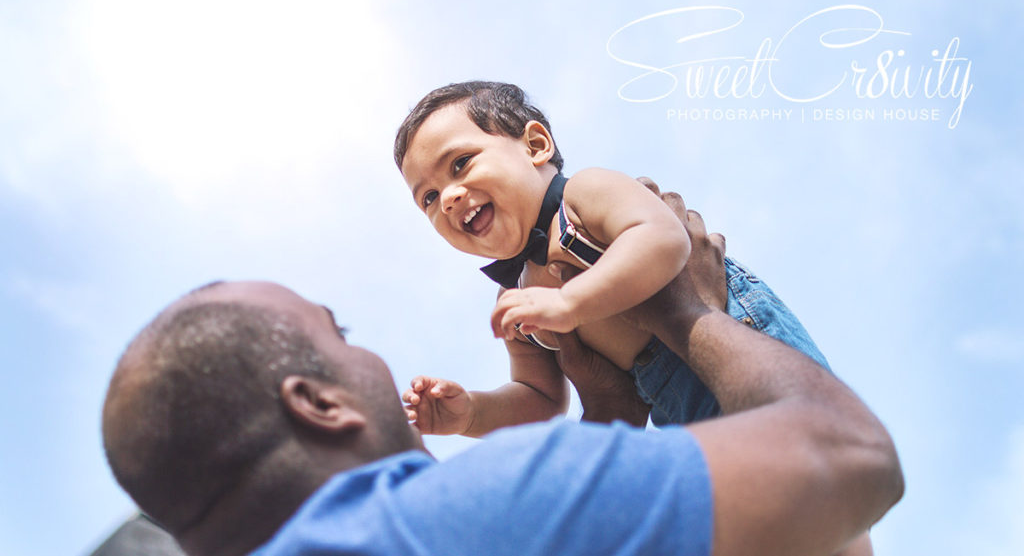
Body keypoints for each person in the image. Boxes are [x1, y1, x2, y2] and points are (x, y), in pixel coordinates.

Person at [101, 189, 902, 556]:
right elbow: (852, 458)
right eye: (338, 333)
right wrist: (681, 312)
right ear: (316, 402)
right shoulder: (445, 517)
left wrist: (610, 406)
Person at [395, 81, 830, 433]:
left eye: (461, 164)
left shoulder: (582, 197)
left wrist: (570, 302)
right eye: (429, 197)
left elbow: (663, 239)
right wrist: (471, 412)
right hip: (680, 411)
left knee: (811, 446)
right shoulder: (518, 298)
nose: (448, 198)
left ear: (535, 145)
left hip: (745, 342)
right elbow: (539, 397)